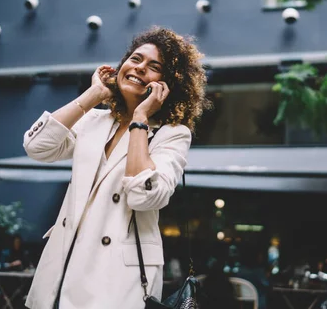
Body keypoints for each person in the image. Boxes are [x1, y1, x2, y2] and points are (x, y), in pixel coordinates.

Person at [23, 27, 210, 309]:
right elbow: (37, 146)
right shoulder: (94, 121)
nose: (139, 68)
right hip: (63, 266)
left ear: (166, 84)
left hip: (116, 278)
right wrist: (94, 94)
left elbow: (143, 196)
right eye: (135, 59)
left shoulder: (172, 134)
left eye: (154, 66)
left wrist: (140, 118)